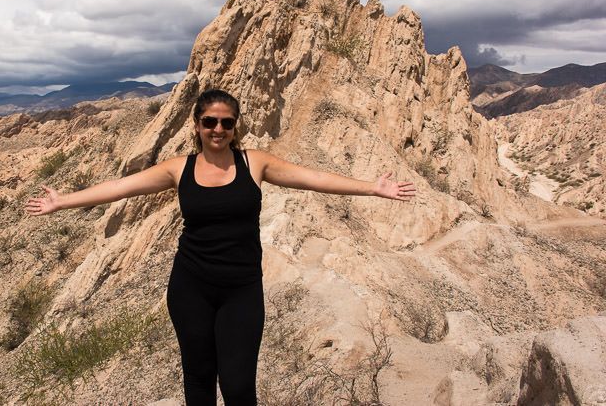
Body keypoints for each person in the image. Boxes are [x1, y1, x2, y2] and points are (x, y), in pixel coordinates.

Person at [25, 88, 416, 405]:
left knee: (239, 387)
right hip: (190, 286)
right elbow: (119, 188)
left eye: (226, 122)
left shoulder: (254, 164)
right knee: (198, 381)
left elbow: (311, 178)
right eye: (210, 121)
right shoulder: (178, 169)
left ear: (235, 127)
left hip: (241, 289)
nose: (218, 129)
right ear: (196, 125)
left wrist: (372, 188)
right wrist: (62, 201)